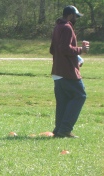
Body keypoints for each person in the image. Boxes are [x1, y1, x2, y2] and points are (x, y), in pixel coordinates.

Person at [50, 5, 89, 138]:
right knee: (80, 95)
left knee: (64, 101)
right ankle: (65, 129)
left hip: (57, 71)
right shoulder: (67, 27)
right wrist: (81, 50)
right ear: (71, 15)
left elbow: (53, 49)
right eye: (76, 16)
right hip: (67, 72)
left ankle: (59, 130)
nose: (77, 19)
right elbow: (65, 49)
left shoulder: (57, 27)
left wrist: (76, 59)